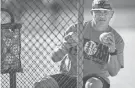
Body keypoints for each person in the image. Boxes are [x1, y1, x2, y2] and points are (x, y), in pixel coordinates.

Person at [34, 0, 125, 88]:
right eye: (98, 12)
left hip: (96, 79)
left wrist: (112, 51)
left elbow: (113, 73)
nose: (101, 15)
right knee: (41, 84)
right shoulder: (75, 29)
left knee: (92, 85)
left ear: (111, 14)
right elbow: (54, 58)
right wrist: (66, 45)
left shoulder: (116, 40)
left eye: (105, 12)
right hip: (70, 77)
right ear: (92, 13)